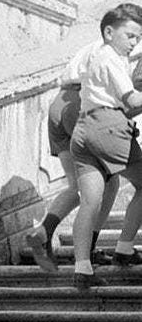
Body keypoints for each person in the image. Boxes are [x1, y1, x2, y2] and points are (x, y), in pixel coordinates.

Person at [25, 37, 121, 272]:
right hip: (84, 104)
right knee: (109, 183)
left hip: (59, 104)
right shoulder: (130, 44)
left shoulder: (102, 40)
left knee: (77, 186)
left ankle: (45, 230)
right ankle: (88, 250)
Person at [69, 4, 142, 290]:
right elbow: (131, 100)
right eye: (130, 36)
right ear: (109, 32)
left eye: (138, 38)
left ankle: (82, 269)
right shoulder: (111, 58)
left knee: (90, 201)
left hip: (84, 129)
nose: (134, 43)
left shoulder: (98, 56)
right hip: (108, 128)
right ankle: (124, 249)